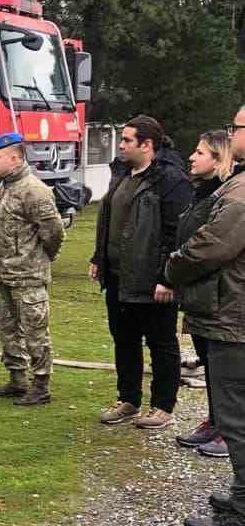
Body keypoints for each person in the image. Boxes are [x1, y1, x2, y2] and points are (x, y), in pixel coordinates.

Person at [165, 102, 245, 526]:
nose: (231, 134)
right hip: (230, 311)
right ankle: (240, 496)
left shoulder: (241, 193)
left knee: (235, 419)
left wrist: (174, 266)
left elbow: (209, 247)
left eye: (236, 127)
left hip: (235, 316)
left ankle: (242, 516)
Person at [89, 114, 193, 429]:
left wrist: (167, 277)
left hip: (152, 280)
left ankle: (162, 406)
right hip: (119, 276)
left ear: (146, 145)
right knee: (124, 339)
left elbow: (177, 233)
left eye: (126, 141)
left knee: (161, 343)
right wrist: (99, 256)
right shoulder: (121, 173)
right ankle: (129, 400)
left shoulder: (171, 180)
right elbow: (109, 219)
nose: (120, 146)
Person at [0, 131, 66, 406]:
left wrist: (40, 259)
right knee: (8, 330)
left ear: (15, 158)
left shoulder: (34, 190)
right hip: (3, 274)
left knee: (35, 332)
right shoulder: (2, 187)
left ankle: (41, 384)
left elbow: (54, 232)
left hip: (28, 276)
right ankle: (17, 379)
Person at [172, 129, 235, 459]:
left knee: (227, 371)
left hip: (220, 296)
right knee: (210, 366)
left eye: (200, 152)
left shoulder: (227, 196)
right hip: (199, 294)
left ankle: (230, 430)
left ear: (218, 158)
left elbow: (211, 247)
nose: (192, 157)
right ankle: (216, 420)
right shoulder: (202, 192)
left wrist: (175, 268)